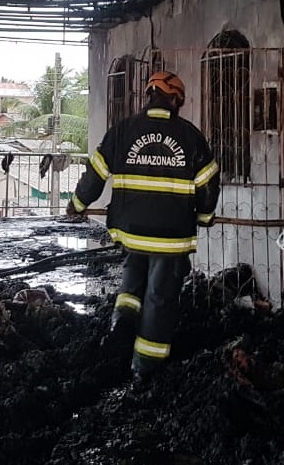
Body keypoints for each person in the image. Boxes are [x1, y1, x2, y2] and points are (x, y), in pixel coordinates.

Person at [67, 71, 220, 384]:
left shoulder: (122, 131)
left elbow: (95, 175)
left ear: (149, 95)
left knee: (134, 270)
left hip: (132, 231)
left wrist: (77, 204)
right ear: (176, 99)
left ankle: (122, 319)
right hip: (171, 237)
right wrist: (204, 217)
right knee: (159, 299)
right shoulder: (190, 136)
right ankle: (144, 368)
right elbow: (208, 185)